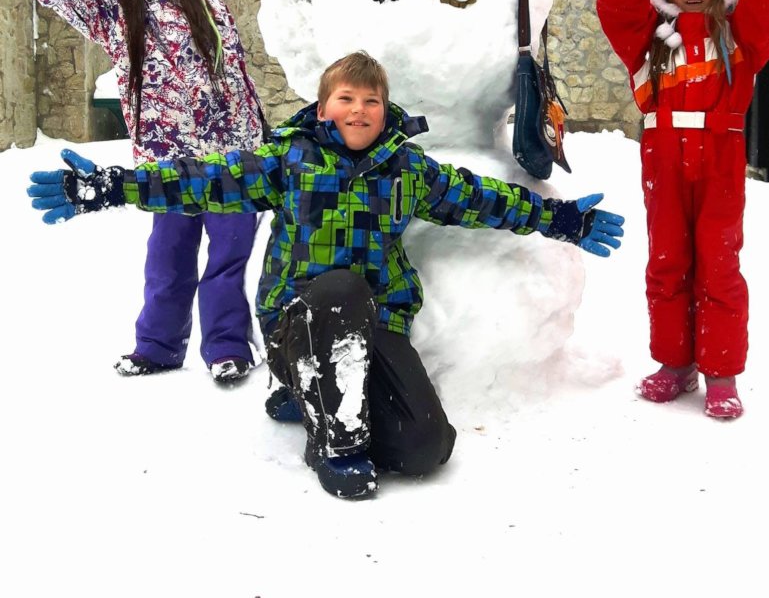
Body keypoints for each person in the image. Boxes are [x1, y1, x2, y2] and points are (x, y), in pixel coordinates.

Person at [27, 51, 624, 499]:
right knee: (341, 287)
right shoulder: (288, 161)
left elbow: (481, 198)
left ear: (386, 111)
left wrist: (560, 219)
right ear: (322, 109)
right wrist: (112, 186)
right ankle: (333, 443)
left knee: (425, 448)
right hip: (299, 322)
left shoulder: (407, 169)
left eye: (371, 101)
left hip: (377, 324)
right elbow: (199, 179)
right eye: (346, 98)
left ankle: (314, 401)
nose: (358, 110)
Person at [0, 0, 266, 383]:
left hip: (231, 160)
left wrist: (258, 141)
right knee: (167, 260)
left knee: (229, 260)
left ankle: (228, 348)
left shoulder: (210, 4)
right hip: (167, 165)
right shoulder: (116, 5)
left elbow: (235, 75)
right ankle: (159, 347)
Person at [596, 0, 769, 419]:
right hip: (664, 161)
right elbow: (618, 8)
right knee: (667, 262)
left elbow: (766, 2)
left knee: (719, 264)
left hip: (720, 159)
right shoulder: (647, 39)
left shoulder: (739, 35)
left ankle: (721, 372)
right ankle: (674, 364)